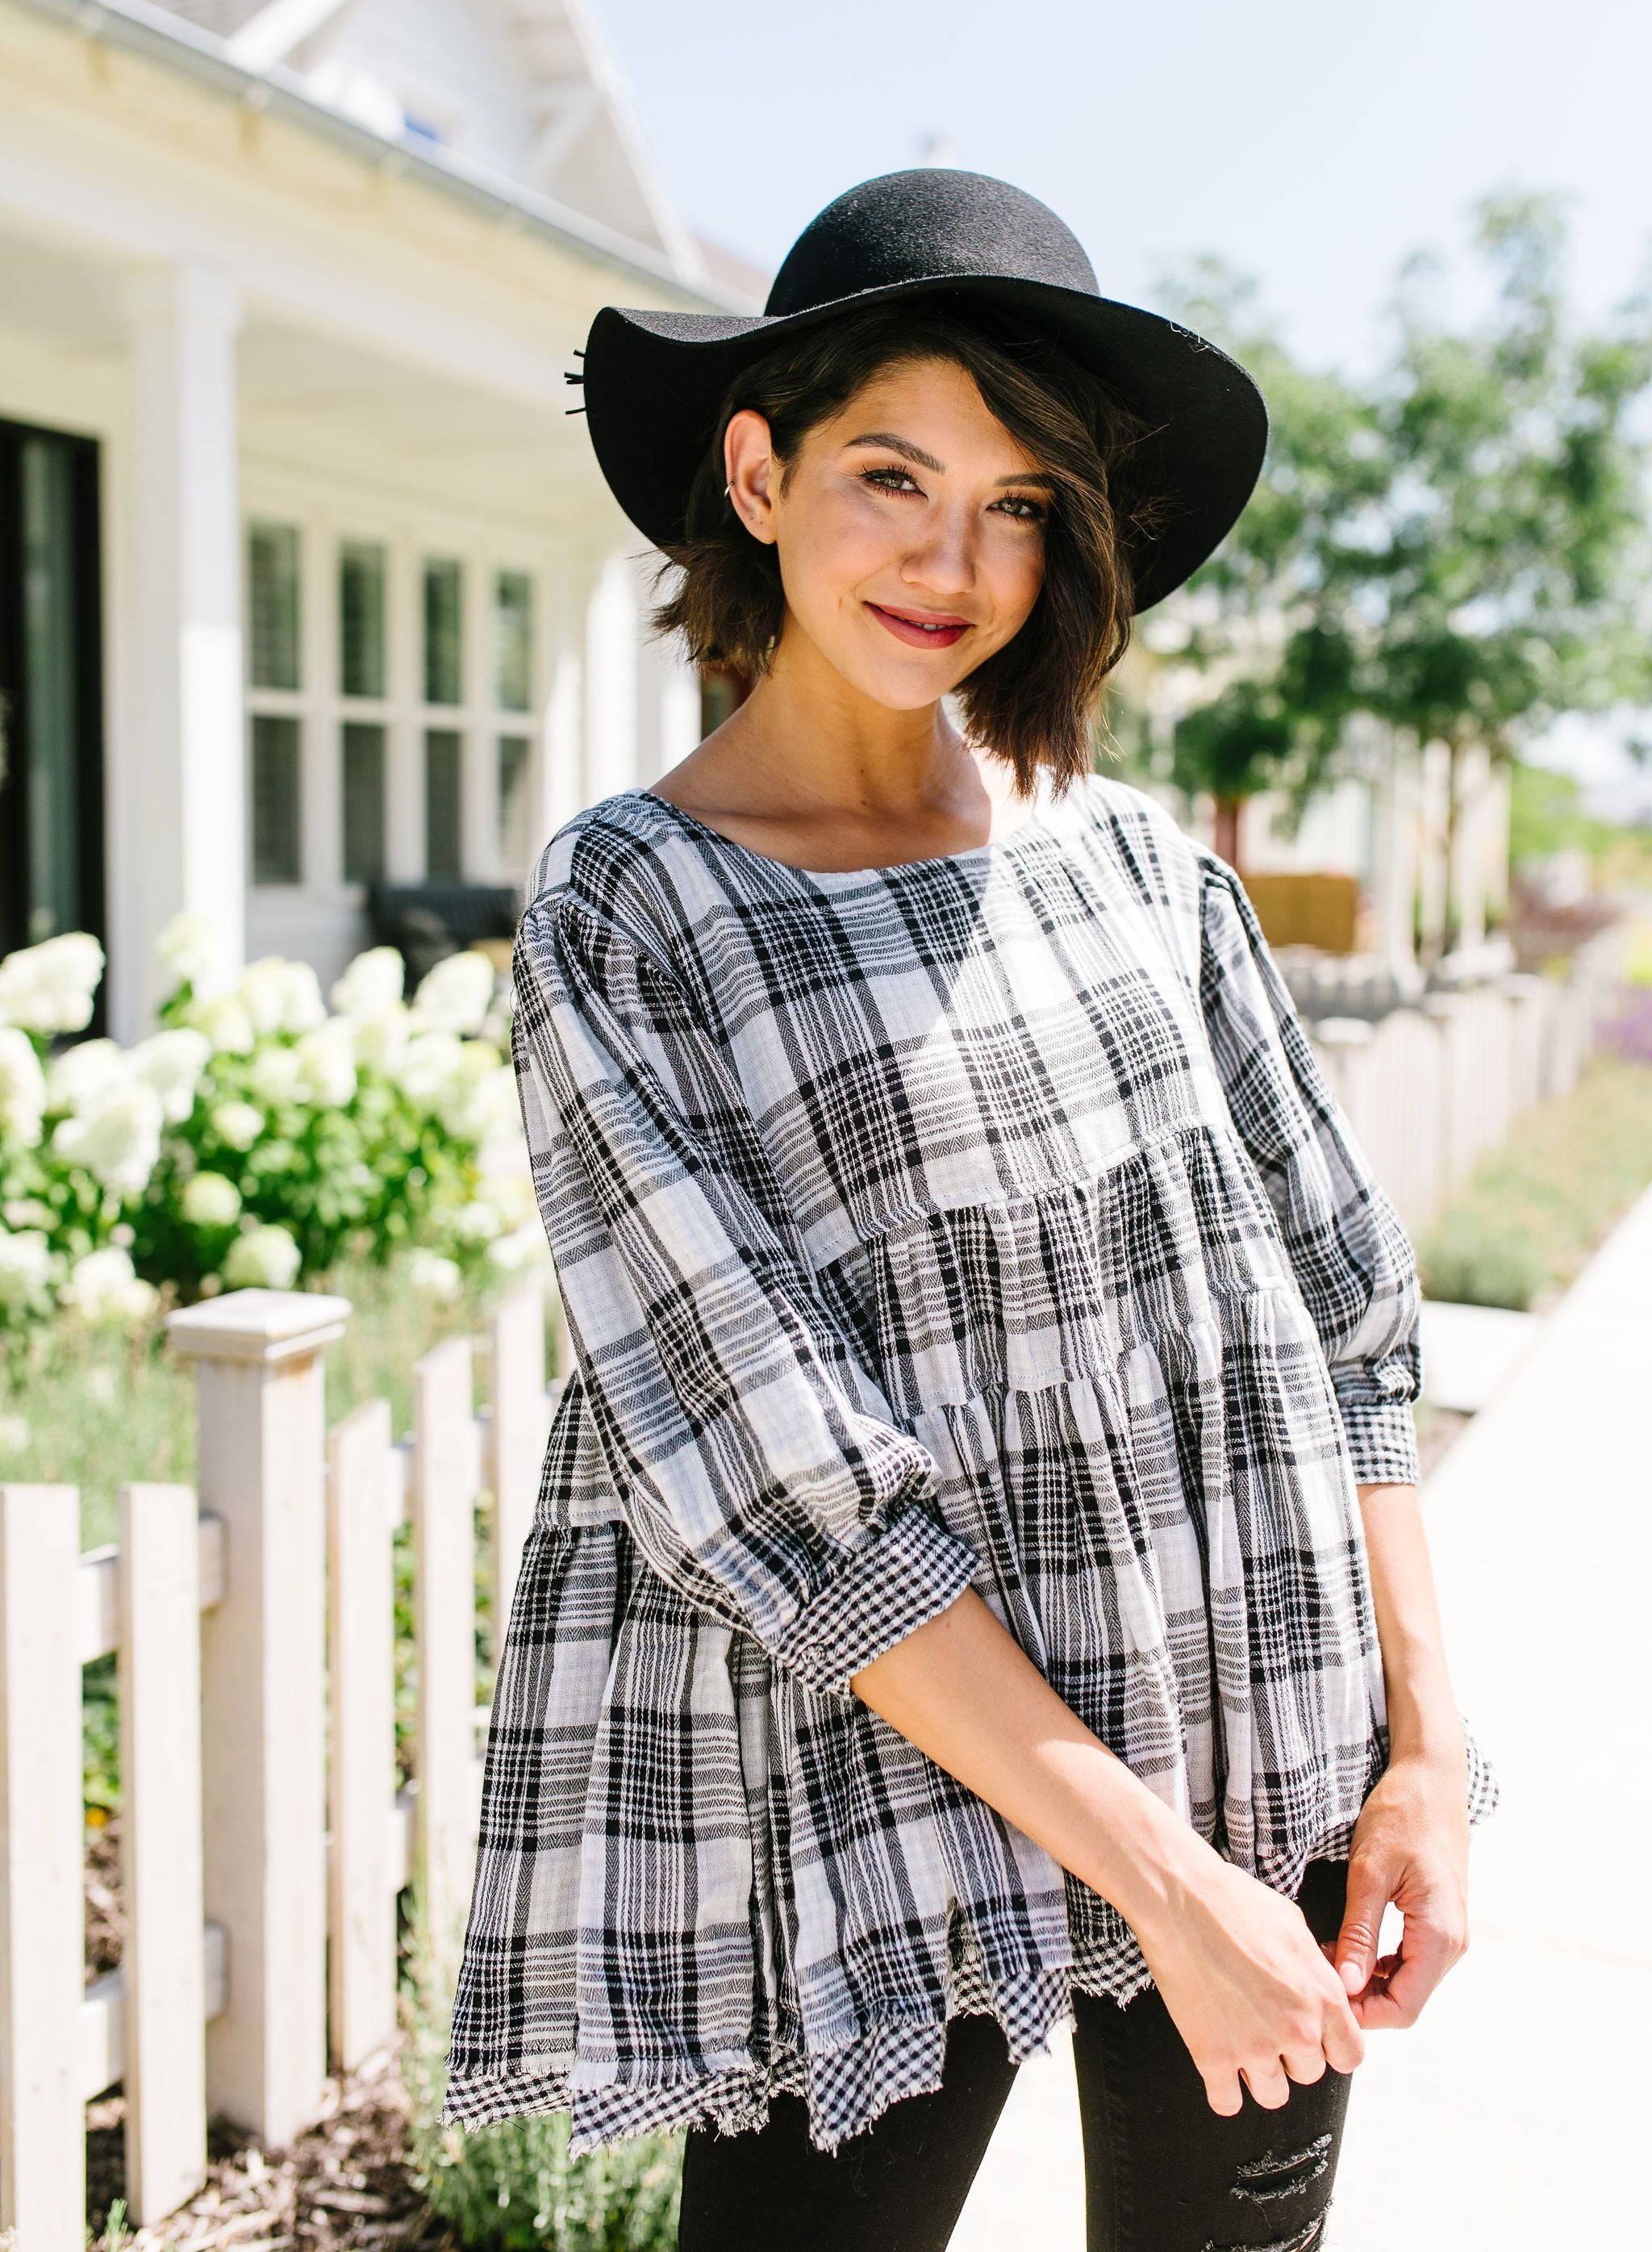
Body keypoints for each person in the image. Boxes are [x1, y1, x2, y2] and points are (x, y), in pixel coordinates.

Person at [445, 170, 1493, 2252]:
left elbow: (1346, 1323)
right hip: (872, 1813)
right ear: (756, 471)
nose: (951, 561)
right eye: (893, 474)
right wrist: (1166, 1896)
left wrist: (1429, 1761)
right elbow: (776, 1483)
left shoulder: (1142, 871)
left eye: (1019, 502)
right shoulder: (635, 907)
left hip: (1257, 1738)